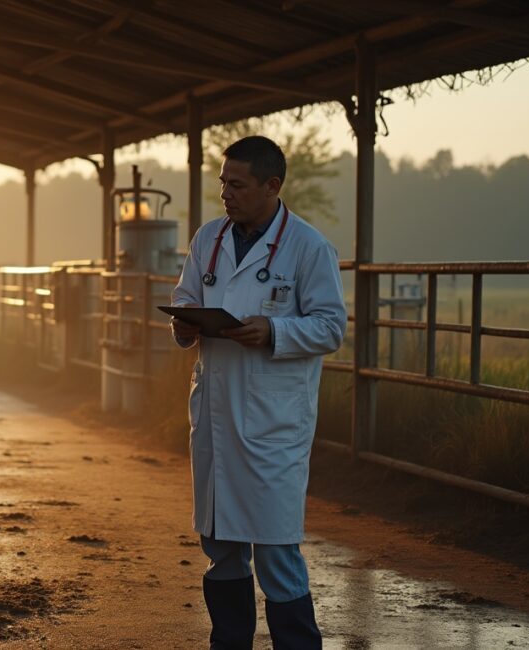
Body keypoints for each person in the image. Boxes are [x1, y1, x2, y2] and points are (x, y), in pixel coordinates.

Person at [170, 135, 346, 649]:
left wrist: (274, 332)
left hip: (273, 421)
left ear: (272, 186)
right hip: (215, 412)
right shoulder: (209, 238)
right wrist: (185, 325)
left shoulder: (309, 247)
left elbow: (331, 327)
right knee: (220, 544)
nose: (226, 193)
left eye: (238, 184)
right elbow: (185, 297)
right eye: (223, 183)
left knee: (275, 550)